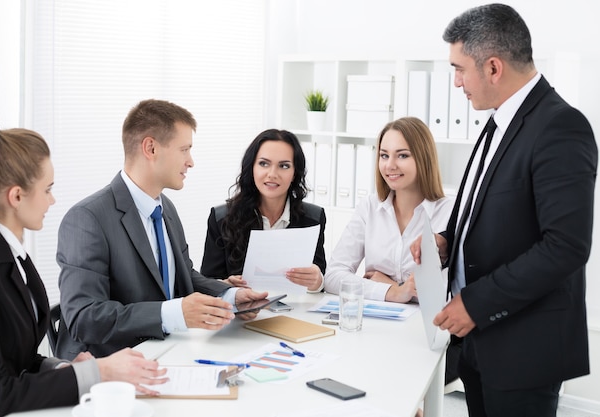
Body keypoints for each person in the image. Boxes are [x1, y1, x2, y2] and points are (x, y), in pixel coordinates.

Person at [410, 4, 597, 417]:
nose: (456, 82)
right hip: (479, 340)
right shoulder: (499, 121)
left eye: (460, 69)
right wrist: (447, 243)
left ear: (493, 67)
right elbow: (486, 211)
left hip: (523, 348)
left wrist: (476, 303)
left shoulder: (561, 127)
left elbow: (565, 246)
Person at [0, 118, 167, 416]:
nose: (53, 200)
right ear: (16, 196)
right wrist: (98, 372)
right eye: (47, 189)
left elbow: (16, 360)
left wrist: (63, 368)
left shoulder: (11, 253)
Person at [56, 99, 268, 360]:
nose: (191, 161)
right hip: (114, 362)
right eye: (184, 149)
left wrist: (230, 297)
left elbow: (184, 276)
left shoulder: (164, 207)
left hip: (168, 350)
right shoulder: (87, 219)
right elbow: (84, 317)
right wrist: (174, 313)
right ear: (151, 148)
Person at [324, 117, 454, 303]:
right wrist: (391, 292)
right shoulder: (369, 207)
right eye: (384, 155)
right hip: (376, 324)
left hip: (425, 327)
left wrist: (396, 288)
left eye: (402, 155)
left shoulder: (449, 214)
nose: (390, 165)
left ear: (423, 158)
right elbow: (333, 276)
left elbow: (448, 293)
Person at [201, 129, 326, 292]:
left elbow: (320, 278)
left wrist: (317, 281)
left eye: (284, 166)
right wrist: (225, 286)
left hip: (295, 312)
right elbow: (206, 282)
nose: (272, 174)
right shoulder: (221, 218)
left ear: (295, 173)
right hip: (241, 313)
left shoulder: (313, 218)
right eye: (264, 164)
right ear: (251, 167)